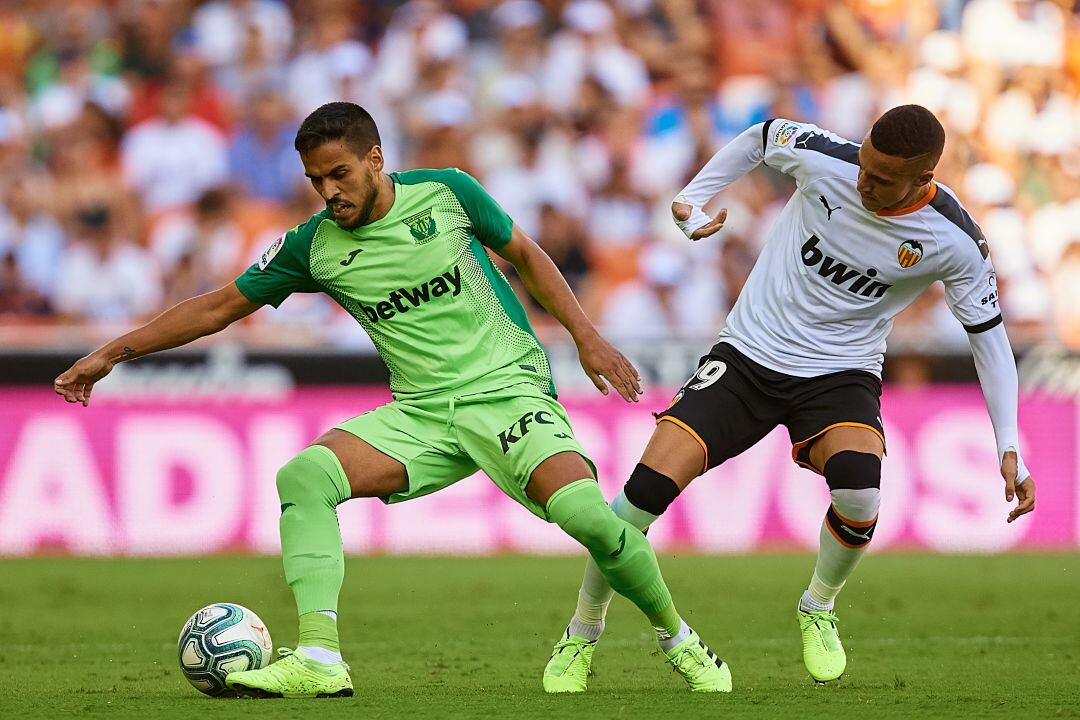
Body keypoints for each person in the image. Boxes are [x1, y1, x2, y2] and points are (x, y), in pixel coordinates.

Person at [53, 102, 730, 698]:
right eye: (316, 180)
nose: (329, 192)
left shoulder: (447, 193)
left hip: (507, 388)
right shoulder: (314, 246)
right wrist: (112, 352)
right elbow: (220, 305)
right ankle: (319, 658)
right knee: (304, 476)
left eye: (339, 173)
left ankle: (678, 638)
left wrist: (585, 337)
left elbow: (525, 254)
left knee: (591, 520)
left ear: (376, 158)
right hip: (423, 415)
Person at [544, 104, 1036, 688]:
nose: (863, 181)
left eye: (881, 179)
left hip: (840, 373)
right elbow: (762, 134)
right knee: (637, 499)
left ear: (924, 177)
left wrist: (1009, 442)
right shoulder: (828, 160)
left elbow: (990, 339)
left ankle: (819, 606)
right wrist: (693, 196)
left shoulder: (955, 241)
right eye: (865, 165)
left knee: (859, 495)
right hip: (748, 356)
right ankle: (582, 633)